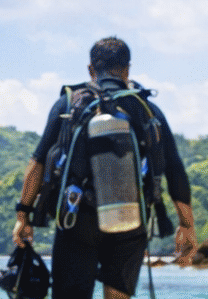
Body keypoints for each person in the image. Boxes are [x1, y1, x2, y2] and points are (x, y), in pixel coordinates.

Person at [12, 36, 196, 299]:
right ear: (127, 69)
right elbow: (175, 170)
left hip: (77, 218)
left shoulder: (69, 103)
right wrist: (186, 225)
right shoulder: (146, 108)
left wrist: (23, 215)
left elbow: (38, 161)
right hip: (131, 221)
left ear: (91, 70)